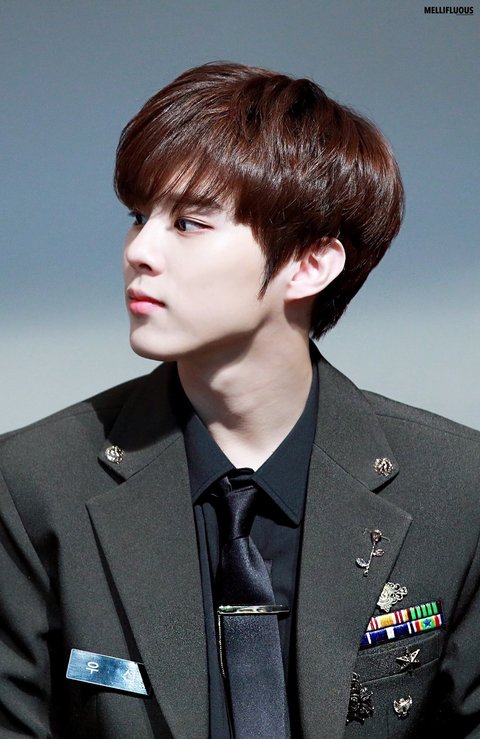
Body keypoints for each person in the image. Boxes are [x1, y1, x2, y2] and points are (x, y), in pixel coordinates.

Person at [0, 62, 479, 739]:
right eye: (138, 217)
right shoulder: (32, 484)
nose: (139, 250)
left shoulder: (457, 489)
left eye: (189, 222)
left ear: (310, 263)